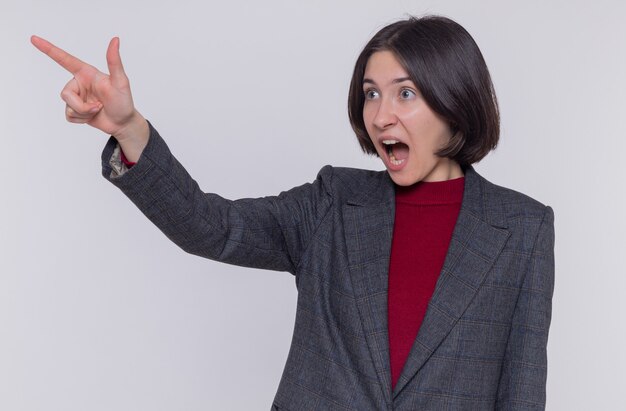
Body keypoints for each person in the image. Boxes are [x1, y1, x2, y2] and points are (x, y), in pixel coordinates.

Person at [32, 15, 555, 410]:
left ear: (455, 101)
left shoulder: (523, 229)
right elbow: (211, 228)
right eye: (371, 93)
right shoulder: (332, 203)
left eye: (406, 93)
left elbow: (522, 390)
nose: (380, 115)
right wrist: (129, 130)